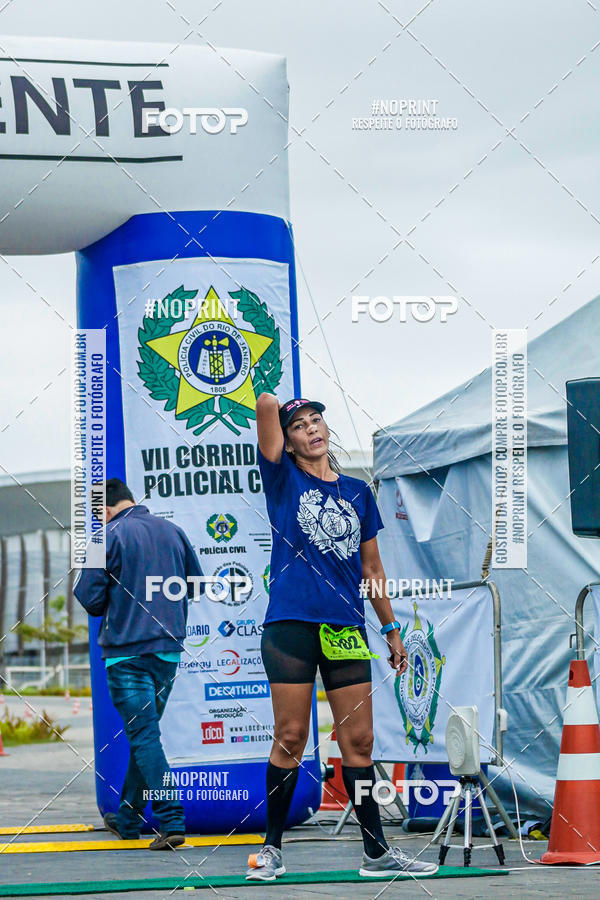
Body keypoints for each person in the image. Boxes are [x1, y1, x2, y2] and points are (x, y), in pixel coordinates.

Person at [245, 394, 439, 880]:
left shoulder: (357, 491)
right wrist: (278, 398)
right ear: (287, 444)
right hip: (291, 624)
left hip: (346, 627)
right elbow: (267, 406)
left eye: (317, 421)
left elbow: (371, 567)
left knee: (360, 740)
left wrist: (391, 628)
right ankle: (271, 849)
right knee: (290, 736)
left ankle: (376, 853)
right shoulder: (282, 478)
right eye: (300, 426)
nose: (312, 428)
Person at [74, 477, 203, 850]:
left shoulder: (104, 537)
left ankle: (171, 817)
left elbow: (90, 598)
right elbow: (193, 586)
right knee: (143, 736)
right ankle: (128, 818)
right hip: (167, 653)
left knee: (144, 736)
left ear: (103, 509)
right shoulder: (173, 531)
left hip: (126, 655)